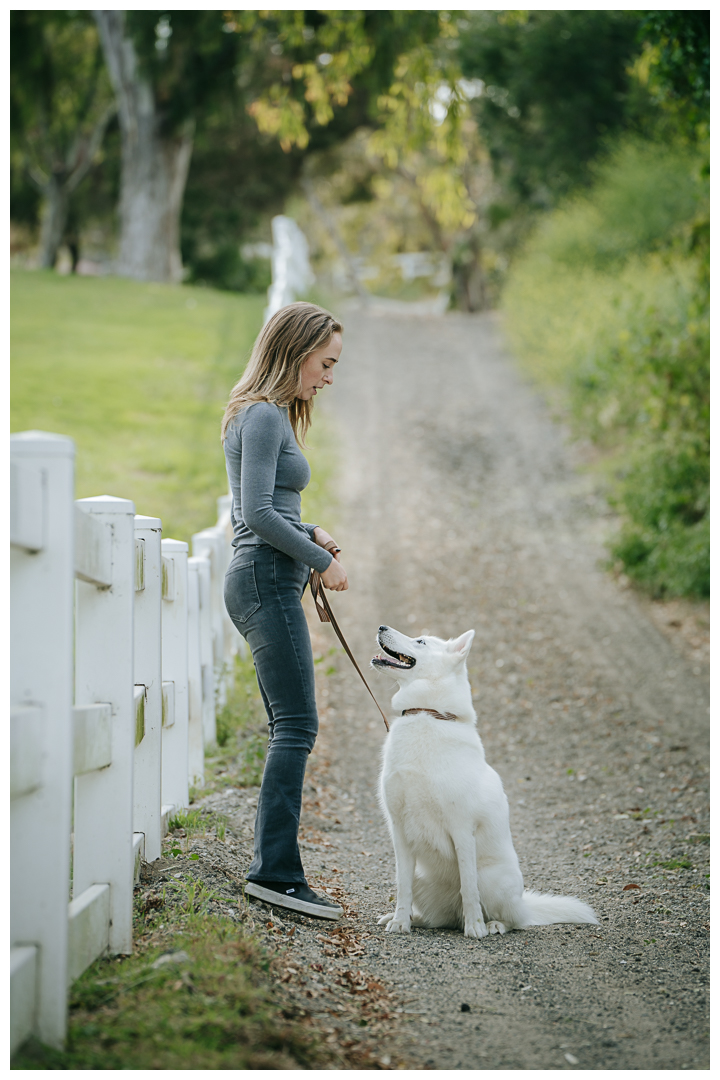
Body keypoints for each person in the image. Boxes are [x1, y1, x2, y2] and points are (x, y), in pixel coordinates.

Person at [221, 302, 348, 920]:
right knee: (296, 727)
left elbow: (270, 506)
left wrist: (315, 532)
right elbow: (258, 517)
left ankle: (276, 869)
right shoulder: (266, 415)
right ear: (296, 351)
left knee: (290, 726)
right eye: (325, 364)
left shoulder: (254, 413)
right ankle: (276, 875)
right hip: (266, 577)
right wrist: (323, 564)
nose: (328, 377)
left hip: (264, 575)